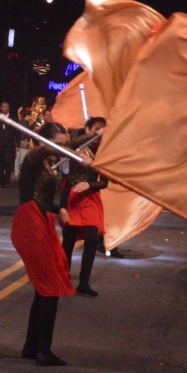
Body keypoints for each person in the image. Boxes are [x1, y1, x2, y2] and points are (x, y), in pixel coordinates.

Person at [13, 122, 76, 366]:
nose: (61, 149)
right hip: (30, 223)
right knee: (49, 287)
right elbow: (33, 200)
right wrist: (92, 135)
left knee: (45, 288)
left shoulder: (48, 164)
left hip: (42, 221)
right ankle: (43, 351)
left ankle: (31, 347)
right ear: (44, 142)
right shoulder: (33, 157)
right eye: (58, 144)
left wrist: (59, 208)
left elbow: (44, 199)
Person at [61, 117, 108, 298]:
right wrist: (91, 135)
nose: (100, 133)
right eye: (96, 129)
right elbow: (71, 143)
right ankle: (64, 279)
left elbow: (105, 182)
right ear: (88, 129)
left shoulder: (103, 153)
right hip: (72, 196)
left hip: (90, 198)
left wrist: (90, 184)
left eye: (103, 130)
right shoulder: (77, 148)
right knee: (69, 241)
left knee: (91, 238)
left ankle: (84, 282)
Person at [0, 101, 18, 188]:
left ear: (9, 108)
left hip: (10, 143)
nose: (5, 108)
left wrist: (17, 144)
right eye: (3, 106)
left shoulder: (13, 118)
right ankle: (1, 178)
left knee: (8, 161)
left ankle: (7, 177)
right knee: (0, 161)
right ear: (1, 108)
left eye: (7, 107)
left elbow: (17, 131)